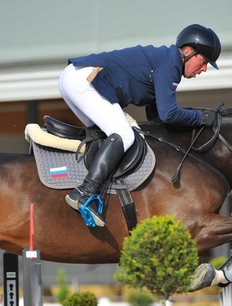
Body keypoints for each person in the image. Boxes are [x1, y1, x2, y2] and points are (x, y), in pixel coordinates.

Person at [58, 24, 221, 227]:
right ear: (188, 52)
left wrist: (193, 120)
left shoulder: (167, 61)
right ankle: (85, 193)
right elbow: (169, 114)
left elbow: (157, 118)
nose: (204, 69)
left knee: (104, 137)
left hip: (74, 77)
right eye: (204, 61)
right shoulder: (170, 65)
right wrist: (201, 118)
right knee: (125, 136)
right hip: (85, 80)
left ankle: (93, 191)